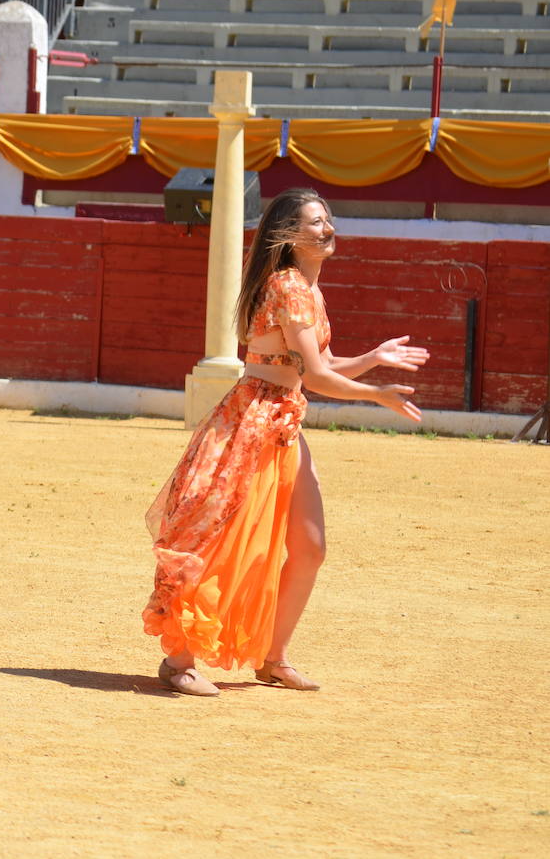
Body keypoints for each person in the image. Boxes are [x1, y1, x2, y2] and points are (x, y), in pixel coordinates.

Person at [143, 187, 428, 696]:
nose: (328, 228)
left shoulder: (305, 288)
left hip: (280, 420)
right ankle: (179, 660)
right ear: (290, 235)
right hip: (254, 422)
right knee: (225, 540)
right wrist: (376, 394)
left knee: (309, 546)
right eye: (316, 222)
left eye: (328, 219)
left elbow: (314, 368)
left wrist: (372, 358)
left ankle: (273, 659)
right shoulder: (291, 287)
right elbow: (314, 375)